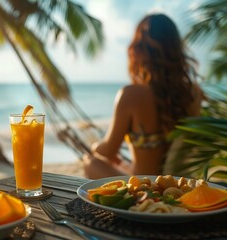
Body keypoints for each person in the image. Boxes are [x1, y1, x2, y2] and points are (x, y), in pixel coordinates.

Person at [83, 13, 204, 179]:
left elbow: (109, 149)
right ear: (176, 49)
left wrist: (95, 146)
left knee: (90, 162)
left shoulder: (130, 94)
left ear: (138, 49)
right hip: (178, 185)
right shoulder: (193, 92)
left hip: (144, 189)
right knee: (123, 166)